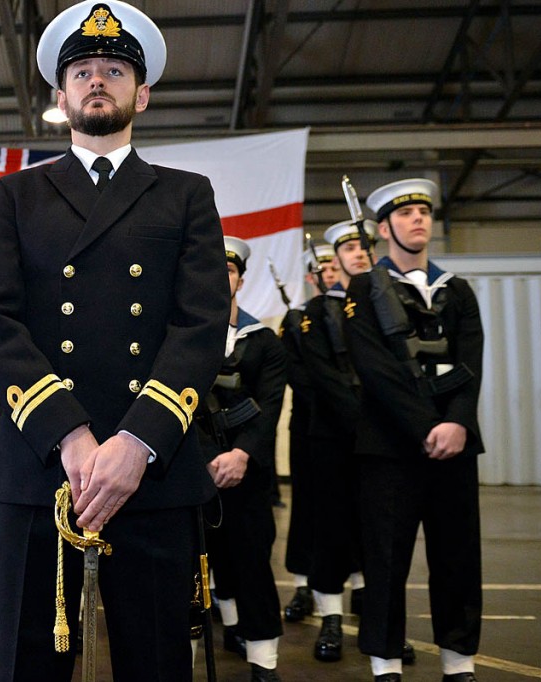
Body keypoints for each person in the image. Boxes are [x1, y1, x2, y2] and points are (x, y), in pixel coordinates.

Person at [0, 2, 230, 679]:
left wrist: (135, 443)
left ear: (141, 93)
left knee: (157, 662)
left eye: (114, 70)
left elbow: (201, 326)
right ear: (61, 96)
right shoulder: (15, 195)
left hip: (153, 468)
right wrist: (70, 435)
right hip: (41, 466)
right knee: (28, 659)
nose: (97, 81)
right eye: (82, 71)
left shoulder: (186, 195)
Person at [344, 178, 484, 682]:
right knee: (386, 560)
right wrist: (430, 426)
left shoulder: (458, 291)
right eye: (405, 215)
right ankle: (385, 663)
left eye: (424, 212)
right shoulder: (363, 290)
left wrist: (457, 423)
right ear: (383, 229)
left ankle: (459, 661)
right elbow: (376, 370)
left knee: (458, 558)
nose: (418, 220)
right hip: (391, 449)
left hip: (455, 446)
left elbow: (471, 363)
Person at [202, 237, 288, 682]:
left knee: (254, 567)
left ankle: (264, 661)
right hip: (196, 473)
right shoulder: (186, 338)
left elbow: (269, 406)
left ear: (240, 278)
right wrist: (209, 458)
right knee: (189, 572)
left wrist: (240, 455)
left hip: (247, 474)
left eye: (230, 271)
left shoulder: (265, 342)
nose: (223, 277)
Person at [299, 220, 377, 662]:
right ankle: (331, 617)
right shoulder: (314, 311)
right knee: (331, 528)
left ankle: (375, 612)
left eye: (363, 246)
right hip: (332, 434)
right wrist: (362, 419)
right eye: (348, 247)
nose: (358, 254)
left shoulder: (381, 299)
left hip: (381, 434)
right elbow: (322, 378)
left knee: (376, 529)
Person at [280, 243, 337, 624]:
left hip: (350, 427)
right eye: (324, 266)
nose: (330, 271)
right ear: (311, 274)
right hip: (309, 424)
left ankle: (358, 586)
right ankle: (302, 583)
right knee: (307, 507)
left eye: (335, 264)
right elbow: (295, 373)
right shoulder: (296, 318)